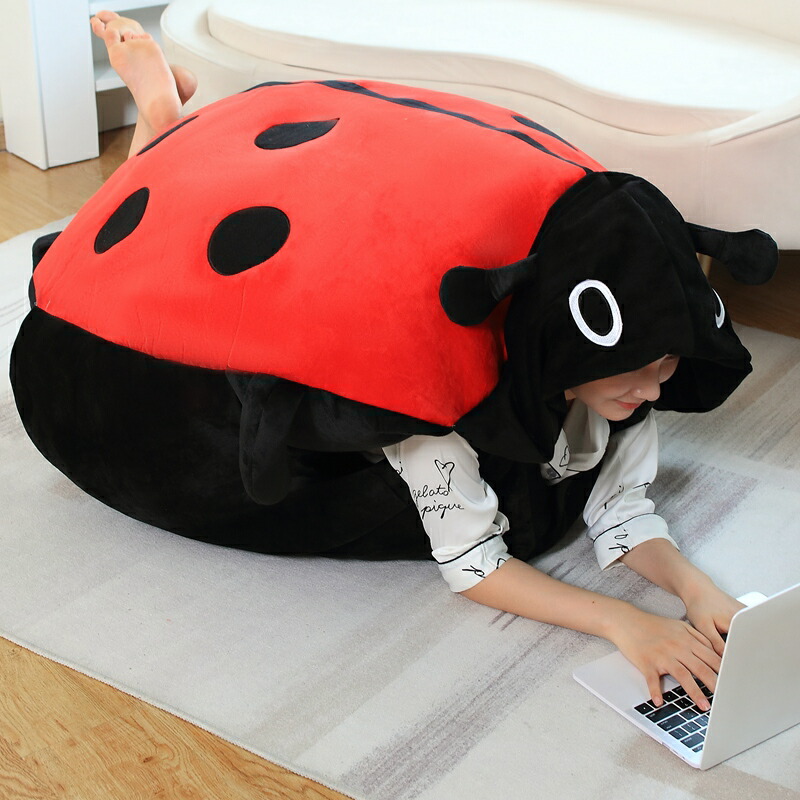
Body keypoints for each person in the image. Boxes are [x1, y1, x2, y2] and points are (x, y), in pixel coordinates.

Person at [86, 11, 758, 714]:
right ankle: (160, 120)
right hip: (262, 374)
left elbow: (621, 515)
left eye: (667, 361)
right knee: (151, 290)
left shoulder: (624, 388)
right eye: (639, 365)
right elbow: (475, 569)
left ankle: (167, 126)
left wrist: (697, 590)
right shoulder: (439, 399)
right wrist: (624, 622)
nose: (653, 387)